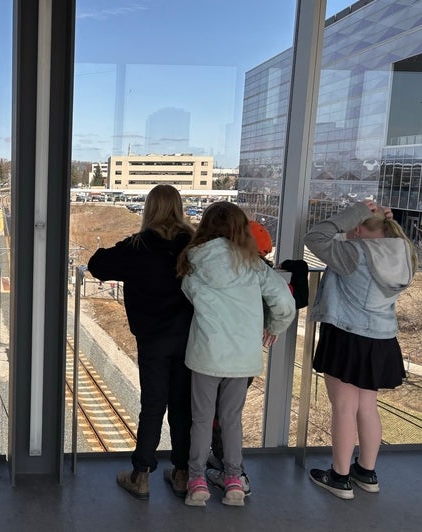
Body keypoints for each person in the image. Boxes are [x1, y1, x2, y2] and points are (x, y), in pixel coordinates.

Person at [176, 202, 295, 507]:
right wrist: (273, 325)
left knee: (202, 420)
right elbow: (284, 301)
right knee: (231, 420)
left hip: (206, 354)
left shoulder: (194, 259)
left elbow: (191, 293)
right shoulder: (252, 263)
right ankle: (233, 482)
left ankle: (198, 481)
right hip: (242, 356)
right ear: (241, 229)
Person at [87, 185, 194, 500]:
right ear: (178, 208)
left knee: (153, 405)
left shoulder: (138, 246)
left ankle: (141, 474)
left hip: (152, 339)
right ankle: (182, 473)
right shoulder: (192, 245)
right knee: (181, 406)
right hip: (189, 337)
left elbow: (97, 264)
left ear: (149, 209)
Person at [304, 200, 416, 500]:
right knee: (367, 407)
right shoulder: (403, 252)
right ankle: (366, 472)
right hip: (381, 339)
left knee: (343, 408)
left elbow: (315, 237)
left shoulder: (353, 254)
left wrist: (352, 213)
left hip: (347, 336)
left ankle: (339, 478)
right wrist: (375, 219)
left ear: (358, 227)